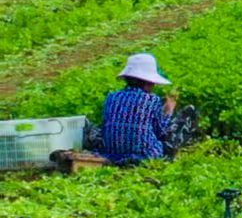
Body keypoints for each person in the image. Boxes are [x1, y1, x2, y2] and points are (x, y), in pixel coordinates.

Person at [62, 53, 197, 170]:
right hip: (145, 155)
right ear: (148, 82)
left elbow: (105, 126)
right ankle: (167, 157)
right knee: (189, 113)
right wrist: (169, 110)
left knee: (90, 126)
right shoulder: (152, 100)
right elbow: (160, 132)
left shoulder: (111, 97)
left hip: (111, 153)